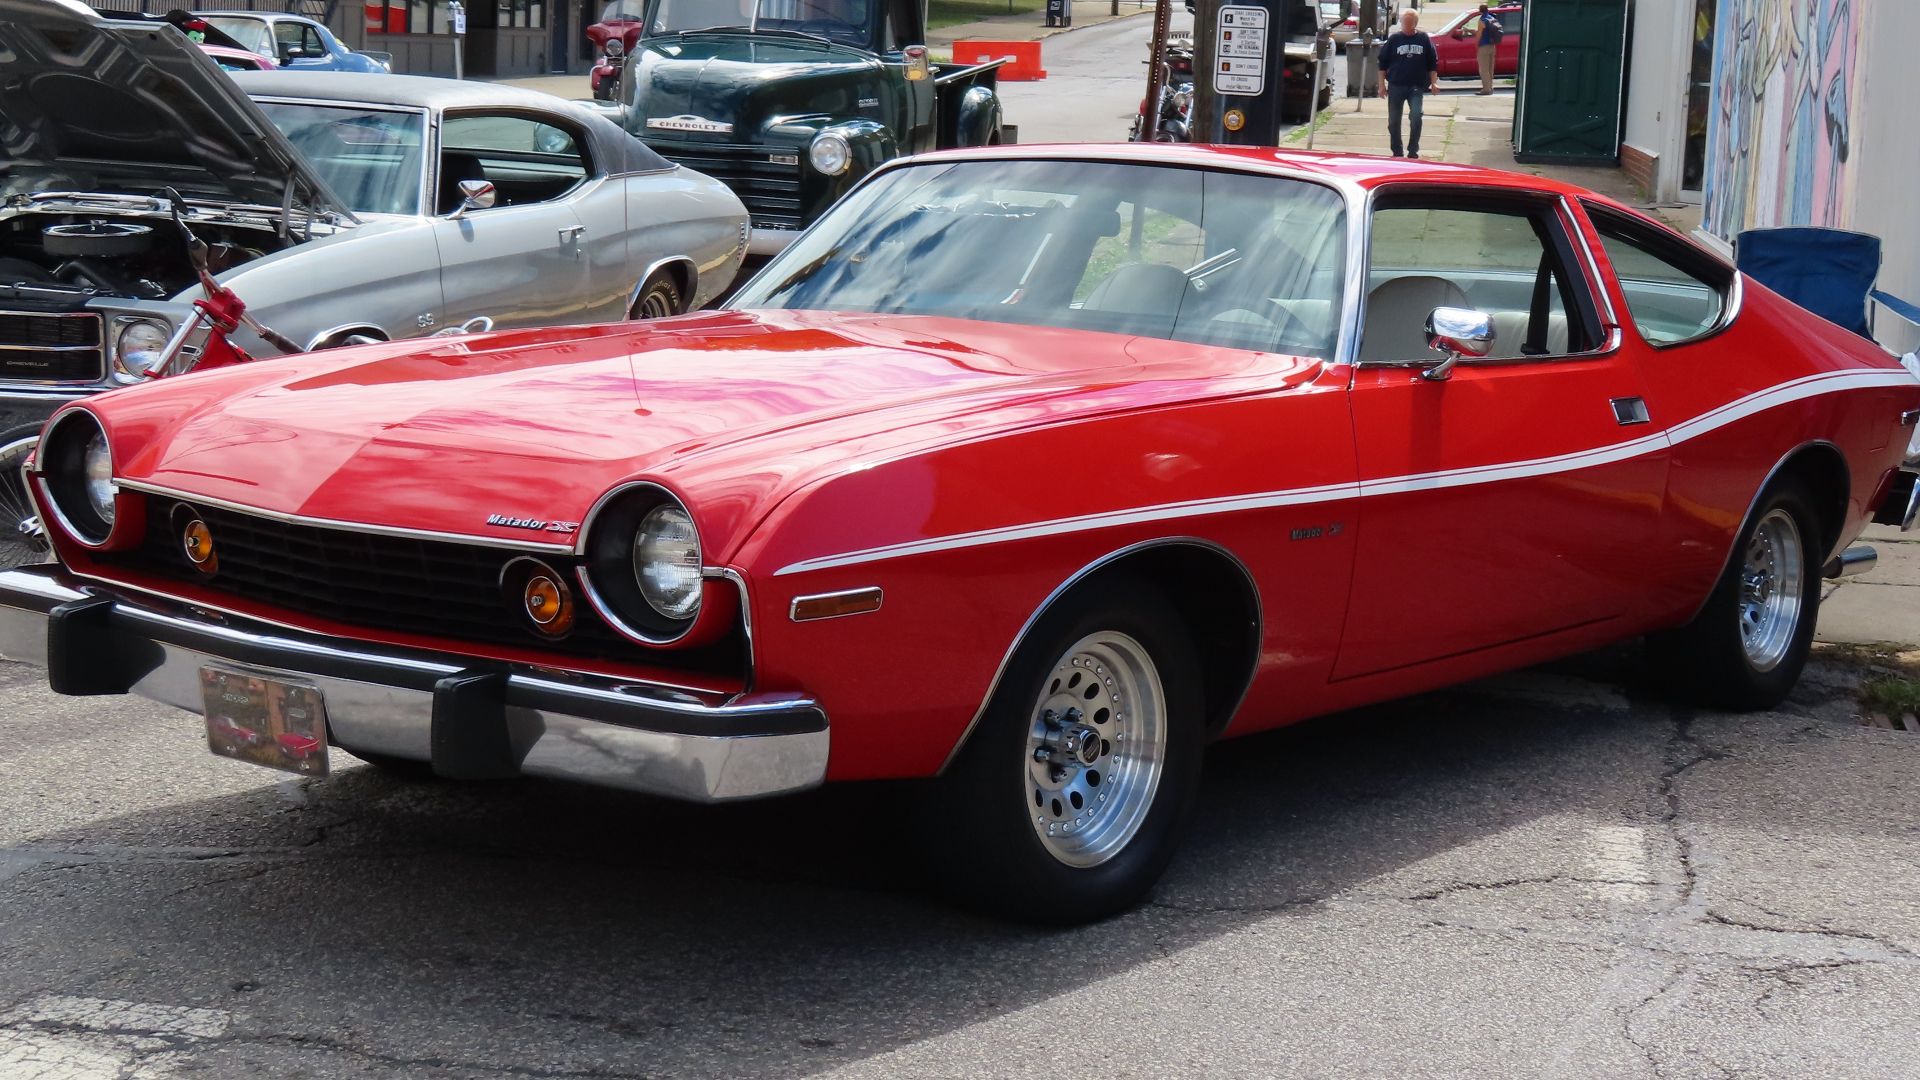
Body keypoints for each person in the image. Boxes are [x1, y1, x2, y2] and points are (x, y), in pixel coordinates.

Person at [1377, 9, 1437, 159]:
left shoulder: (1423, 38)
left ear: (1415, 24)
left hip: (1416, 86)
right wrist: (1381, 86)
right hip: (1396, 85)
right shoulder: (1394, 39)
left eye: (1409, 22)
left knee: (1416, 116)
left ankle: (1413, 150)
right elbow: (1382, 64)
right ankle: (1397, 152)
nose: (1406, 25)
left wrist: (1434, 83)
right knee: (1394, 121)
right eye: (1404, 22)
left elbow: (1432, 63)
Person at [1475, 4, 1504, 95]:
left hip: (1484, 46)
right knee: (1490, 69)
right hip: (1492, 46)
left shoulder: (1482, 20)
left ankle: (1486, 89)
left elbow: (1479, 34)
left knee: (1483, 69)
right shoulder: (1491, 17)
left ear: (1480, 10)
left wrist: (1477, 44)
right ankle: (1490, 87)